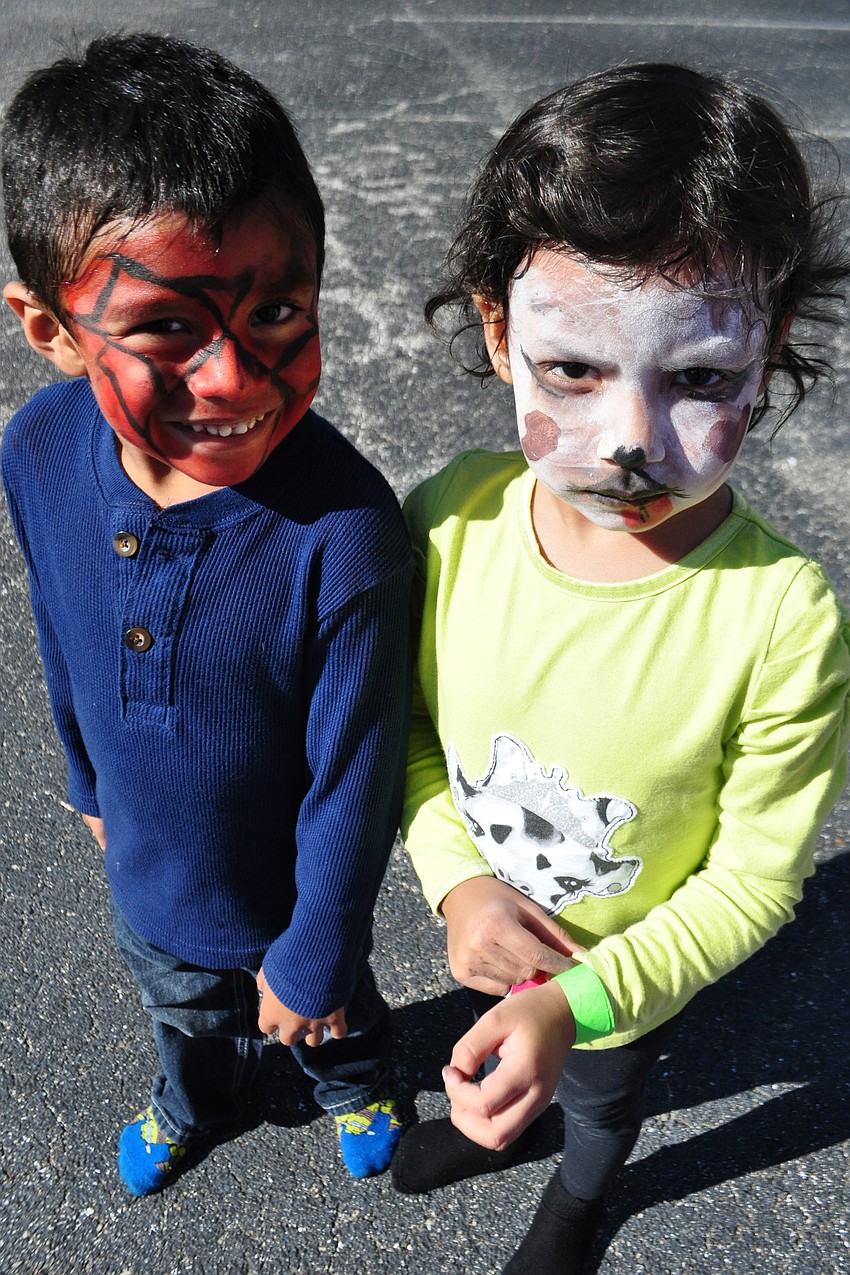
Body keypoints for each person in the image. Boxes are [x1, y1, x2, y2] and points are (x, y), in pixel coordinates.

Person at [392, 63, 850, 1273]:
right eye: (572, 370)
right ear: (500, 333)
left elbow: (754, 883)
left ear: (769, 352)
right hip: (494, 935)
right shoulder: (449, 521)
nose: (632, 440)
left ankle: (583, 1198)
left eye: (697, 377)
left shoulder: (778, 619)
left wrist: (576, 1004)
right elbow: (405, 732)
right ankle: (493, 1132)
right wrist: (457, 888)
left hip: (626, 976)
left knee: (598, 1096)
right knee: (496, 1047)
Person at [1, 33, 412, 1196]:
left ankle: (358, 1083)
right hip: (151, 872)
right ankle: (196, 1102)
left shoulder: (345, 532)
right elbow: (58, 630)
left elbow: (359, 766)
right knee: (182, 1017)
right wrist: (83, 782)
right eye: (168, 328)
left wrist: (318, 948)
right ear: (51, 332)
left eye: (279, 308)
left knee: (330, 1023)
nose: (233, 376)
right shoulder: (36, 452)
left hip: (295, 898)